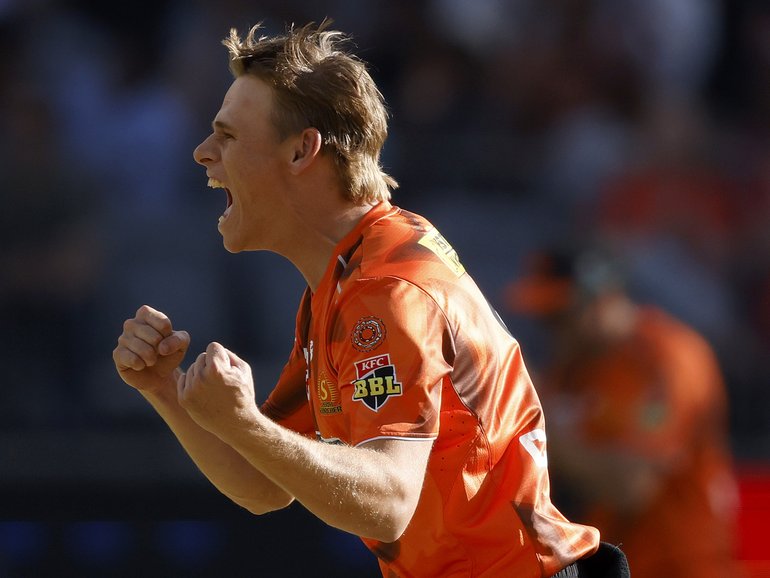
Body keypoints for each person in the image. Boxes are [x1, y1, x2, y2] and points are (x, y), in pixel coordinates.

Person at [113, 21, 626, 577]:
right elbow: (263, 485)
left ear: (302, 150)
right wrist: (165, 390)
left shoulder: (385, 291)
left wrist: (242, 423)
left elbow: (388, 504)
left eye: (229, 136)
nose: (202, 153)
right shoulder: (347, 279)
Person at [505, 245, 744, 578]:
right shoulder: (571, 367)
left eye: (561, 315)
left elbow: (632, 486)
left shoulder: (667, 358)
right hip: (615, 562)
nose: (552, 329)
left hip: (682, 564)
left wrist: (530, 417)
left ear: (602, 300)